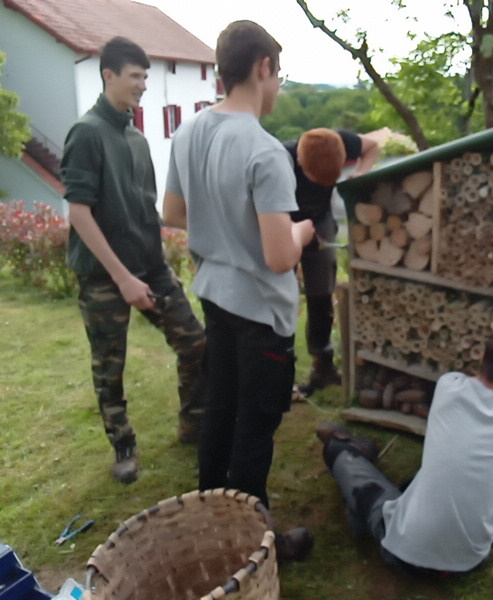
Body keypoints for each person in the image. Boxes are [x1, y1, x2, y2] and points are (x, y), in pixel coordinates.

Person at [162, 21, 315, 513]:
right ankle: (249, 539)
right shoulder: (265, 151)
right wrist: (303, 232)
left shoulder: (188, 132)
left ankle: (212, 517)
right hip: (260, 315)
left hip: (214, 296)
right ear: (262, 67)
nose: (277, 87)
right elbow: (278, 256)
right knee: (255, 426)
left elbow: (173, 213)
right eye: (278, 75)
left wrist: (223, 225)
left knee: (220, 413)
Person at [316, 324, 493, 576]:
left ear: (482, 356)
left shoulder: (449, 387)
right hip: (468, 562)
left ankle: (350, 455)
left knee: (344, 458)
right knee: (423, 483)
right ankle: (366, 493)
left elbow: (486, 381)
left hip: (401, 553)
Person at [60, 37, 206, 484]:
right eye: (136, 76)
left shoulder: (138, 139)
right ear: (109, 76)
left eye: (146, 76)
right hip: (105, 275)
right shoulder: (86, 133)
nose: (144, 84)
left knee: (196, 343)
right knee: (110, 365)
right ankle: (123, 443)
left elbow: (144, 210)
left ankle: (194, 423)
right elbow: (79, 213)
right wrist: (122, 279)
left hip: (151, 266)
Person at [283, 128, 383, 398]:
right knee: (282, 298)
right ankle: (280, 376)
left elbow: (372, 146)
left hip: (321, 219)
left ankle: (323, 366)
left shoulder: (342, 142)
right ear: (301, 163)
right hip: (285, 223)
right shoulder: (281, 157)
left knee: (322, 293)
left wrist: (360, 174)